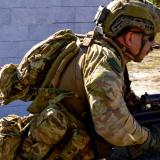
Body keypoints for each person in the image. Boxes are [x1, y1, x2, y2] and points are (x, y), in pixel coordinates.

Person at [0, 0, 160, 159]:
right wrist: (149, 138)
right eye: (151, 37)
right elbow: (112, 125)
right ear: (130, 37)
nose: (153, 45)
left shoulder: (93, 48)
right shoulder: (104, 61)